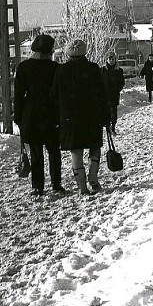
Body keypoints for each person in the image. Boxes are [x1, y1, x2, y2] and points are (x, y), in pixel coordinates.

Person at [51, 39, 110, 195]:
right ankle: (93, 177)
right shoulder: (93, 69)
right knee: (94, 147)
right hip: (92, 117)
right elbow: (102, 94)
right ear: (84, 52)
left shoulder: (61, 71)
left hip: (71, 120)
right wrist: (106, 116)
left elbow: (54, 97)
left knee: (76, 151)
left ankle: (82, 187)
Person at [14, 34, 63, 197]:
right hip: (51, 114)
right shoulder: (56, 68)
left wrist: (18, 117)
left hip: (31, 114)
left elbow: (19, 96)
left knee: (36, 152)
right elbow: (60, 95)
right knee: (54, 151)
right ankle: (56, 184)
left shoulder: (23, 67)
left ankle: (37, 186)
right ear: (50, 50)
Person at [101, 52, 125, 134]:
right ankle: (108, 126)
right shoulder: (102, 70)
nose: (111, 60)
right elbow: (99, 82)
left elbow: (122, 82)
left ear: (115, 60)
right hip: (104, 95)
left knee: (113, 112)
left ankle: (113, 127)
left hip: (114, 94)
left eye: (112, 59)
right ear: (106, 60)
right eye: (109, 59)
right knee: (106, 112)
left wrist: (117, 89)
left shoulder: (119, 70)